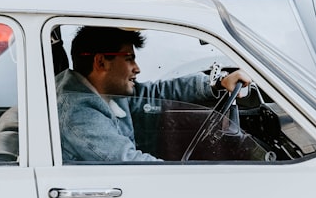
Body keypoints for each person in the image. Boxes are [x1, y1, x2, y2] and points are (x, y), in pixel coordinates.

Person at [55, 27, 251, 162]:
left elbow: (154, 93)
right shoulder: (79, 115)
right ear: (100, 63)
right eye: (129, 59)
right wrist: (189, 178)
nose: (137, 68)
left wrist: (216, 84)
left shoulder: (104, 90)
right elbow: (129, 163)